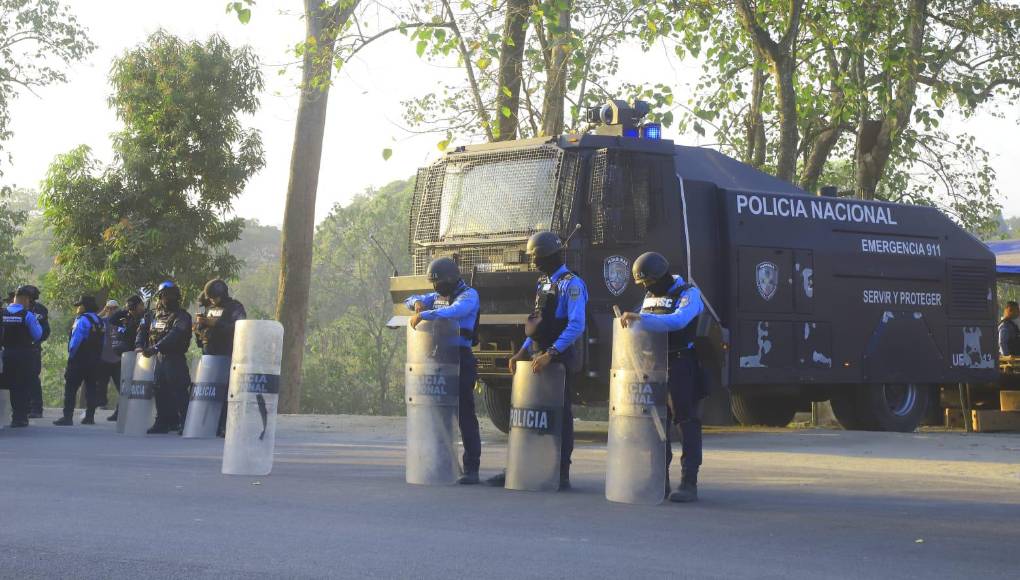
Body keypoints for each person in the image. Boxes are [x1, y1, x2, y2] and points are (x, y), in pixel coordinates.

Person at [488, 231, 588, 490]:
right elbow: (536, 323)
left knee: (559, 415)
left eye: (538, 257)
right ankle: (521, 467)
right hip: (536, 356)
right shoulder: (542, 283)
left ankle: (560, 472)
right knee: (528, 414)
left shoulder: (572, 284)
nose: (534, 262)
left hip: (557, 358)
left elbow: (576, 325)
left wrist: (550, 353)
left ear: (552, 256)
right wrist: (522, 352)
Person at [619, 252, 705, 503]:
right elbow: (637, 324)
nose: (646, 288)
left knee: (685, 421)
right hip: (652, 365)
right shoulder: (649, 297)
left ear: (661, 276)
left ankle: (689, 482)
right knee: (656, 424)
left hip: (680, 364)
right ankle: (659, 480)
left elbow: (678, 321)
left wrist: (642, 318)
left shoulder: (689, 294)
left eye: (648, 282)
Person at [404, 257, 482, 485]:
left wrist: (425, 314)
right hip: (439, 361)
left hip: (460, 359)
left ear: (450, 279)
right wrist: (417, 304)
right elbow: (411, 299)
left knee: (464, 415)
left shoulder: (469, 295)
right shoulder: (438, 297)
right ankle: (442, 463)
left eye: (437, 283)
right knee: (439, 414)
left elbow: (454, 313)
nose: (434, 288)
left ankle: (471, 468)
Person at [135, 281, 192, 434]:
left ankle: (186, 422)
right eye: (166, 295)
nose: (170, 298)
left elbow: (174, 336)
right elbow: (142, 330)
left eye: (173, 295)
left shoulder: (182, 316)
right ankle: (162, 422)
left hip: (175, 358)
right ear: (160, 296)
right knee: (160, 390)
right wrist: (139, 345)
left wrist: (155, 348)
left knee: (179, 389)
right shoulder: (153, 314)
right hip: (159, 358)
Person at [193, 278, 246, 436]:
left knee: (225, 392)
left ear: (222, 294)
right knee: (208, 392)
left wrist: (215, 324)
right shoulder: (210, 308)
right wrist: (199, 329)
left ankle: (225, 425)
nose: (212, 300)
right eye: (210, 298)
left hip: (227, 355)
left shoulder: (235, 307)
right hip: (209, 356)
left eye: (214, 297)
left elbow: (240, 327)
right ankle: (205, 424)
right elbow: (202, 331)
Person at [54, 296, 105, 426]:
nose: (77, 308)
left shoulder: (81, 320)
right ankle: (89, 417)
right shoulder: (100, 321)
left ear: (85, 306)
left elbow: (75, 341)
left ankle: (67, 417)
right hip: (95, 360)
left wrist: (71, 356)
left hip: (79, 359)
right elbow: (102, 342)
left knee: (71, 388)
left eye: (79, 305)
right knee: (92, 388)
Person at [1, 286, 44, 427]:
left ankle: (13, 415)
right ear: (25, 299)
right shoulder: (27, 315)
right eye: (29, 300)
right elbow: (38, 334)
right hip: (24, 355)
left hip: (6, 354)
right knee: (22, 385)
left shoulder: (2, 313)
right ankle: (19, 417)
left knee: (10, 385)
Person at [105, 295, 146, 422]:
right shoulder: (127, 316)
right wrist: (126, 310)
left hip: (141, 354)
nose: (133, 311)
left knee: (140, 385)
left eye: (135, 307)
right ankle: (120, 411)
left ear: (141, 305)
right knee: (126, 384)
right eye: (131, 308)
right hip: (128, 354)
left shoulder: (146, 317)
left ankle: (139, 413)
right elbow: (112, 319)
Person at [23, 285, 50, 419]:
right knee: (22, 378)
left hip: (33, 348)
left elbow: (46, 330)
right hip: (21, 348)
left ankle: (36, 408)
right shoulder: (19, 308)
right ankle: (25, 407)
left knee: (33, 378)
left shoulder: (40, 310)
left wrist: (37, 339)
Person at [94, 299, 121, 411]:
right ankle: (102, 404)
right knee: (102, 383)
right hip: (104, 357)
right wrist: (102, 312)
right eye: (110, 308)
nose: (112, 310)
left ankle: (123, 405)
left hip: (117, 358)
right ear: (106, 308)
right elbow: (92, 321)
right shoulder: (103, 321)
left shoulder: (121, 321)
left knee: (120, 383)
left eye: (115, 308)